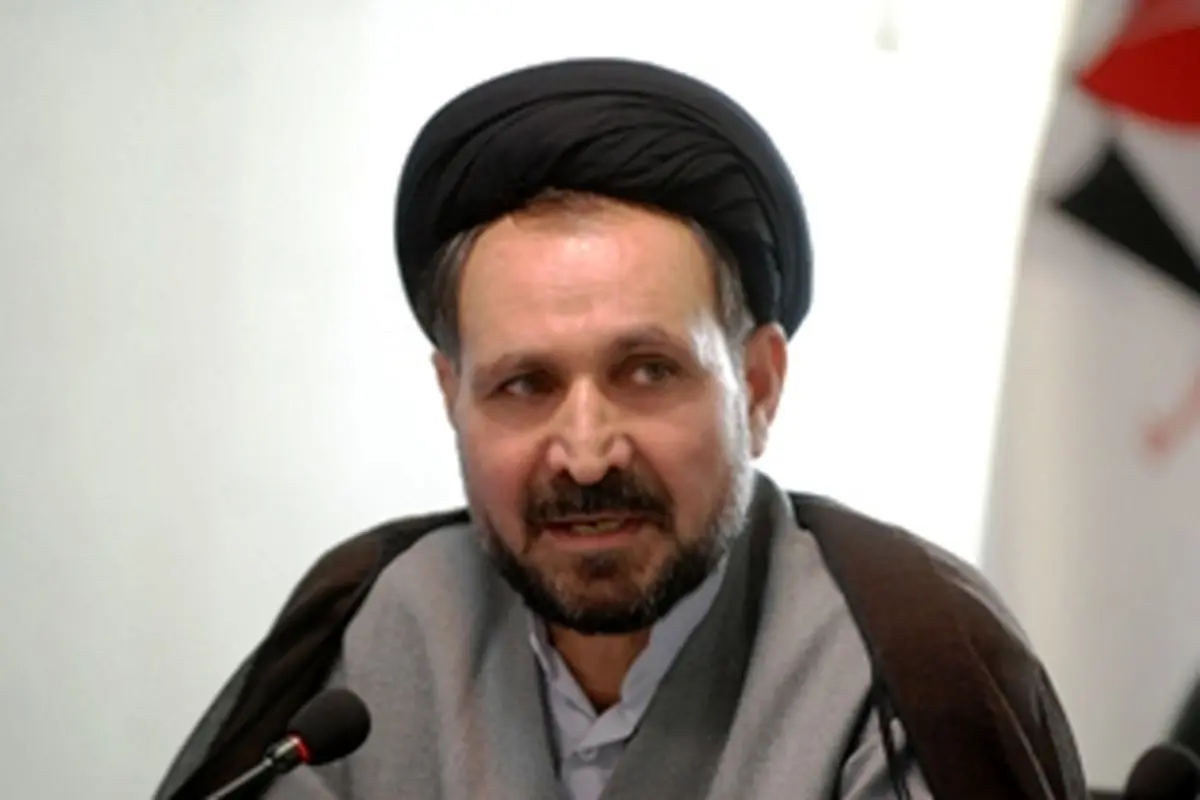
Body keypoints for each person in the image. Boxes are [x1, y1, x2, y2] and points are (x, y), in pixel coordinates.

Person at [154, 58, 1086, 800]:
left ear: (757, 388)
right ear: (451, 397)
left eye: (647, 373)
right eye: (525, 385)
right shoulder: (380, 631)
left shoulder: (903, 657)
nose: (587, 454)